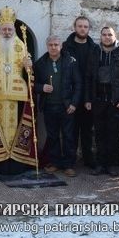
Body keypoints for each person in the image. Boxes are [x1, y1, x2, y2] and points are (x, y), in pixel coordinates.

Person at [0, 7, 36, 174]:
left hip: (17, 94)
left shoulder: (21, 45)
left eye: (9, 29)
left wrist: (29, 67)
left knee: (17, 128)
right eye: (3, 29)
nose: (6, 32)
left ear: (14, 29)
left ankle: (17, 161)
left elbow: (30, 73)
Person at [87, 26, 119, 177]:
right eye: (104, 35)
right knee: (99, 134)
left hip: (116, 102)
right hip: (98, 101)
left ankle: (112, 165)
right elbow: (88, 79)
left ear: (115, 37)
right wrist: (88, 99)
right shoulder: (94, 53)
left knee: (114, 134)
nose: (107, 37)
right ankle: (101, 164)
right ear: (100, 37)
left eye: (110, 35)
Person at [34, 35, 81, 177]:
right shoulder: (40, 64)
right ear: (47, 46)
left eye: (56, 45)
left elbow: (78, 84)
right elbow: (32, 84)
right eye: (51, 45)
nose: (53, 47)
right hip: (49, 106)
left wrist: (74, 103)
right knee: (52, 136)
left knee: (68, 136)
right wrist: (42, 87)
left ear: (61, 46)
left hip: (66, 106)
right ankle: (54, 163)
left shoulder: (71, 62)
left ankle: (68, 165)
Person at [62, 16, 99, 168]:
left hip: (88, 95)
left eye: (85, 26)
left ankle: (88, 159)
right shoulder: (66, 47)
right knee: (70, 131)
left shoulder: (94, 48)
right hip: (71, 96)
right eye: (80, 26)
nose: (82, 29)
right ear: (74, 27)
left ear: (89, 29)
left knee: (87, 130)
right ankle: (69, 161)